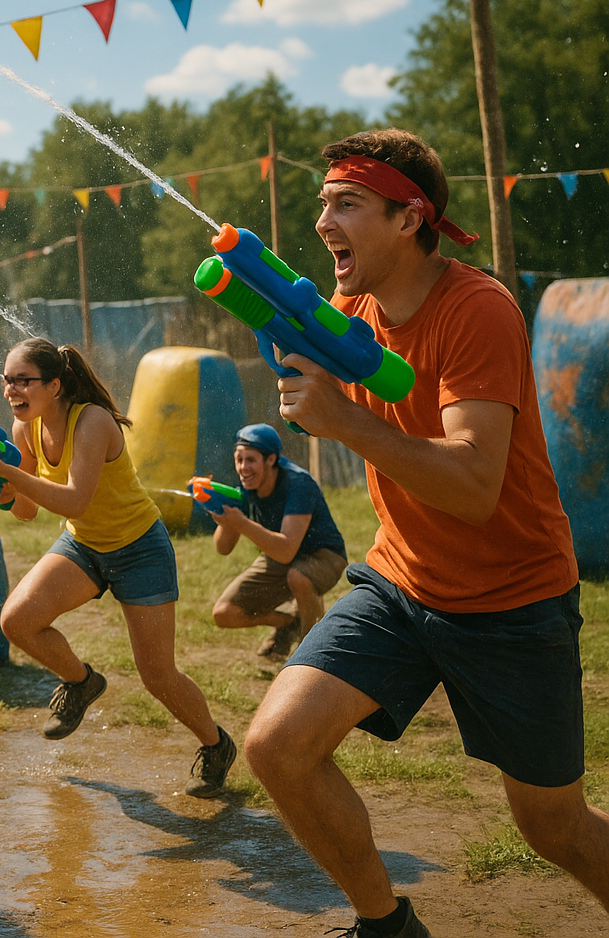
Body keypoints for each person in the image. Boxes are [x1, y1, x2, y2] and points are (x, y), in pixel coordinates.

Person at [243, 128, 608, 937]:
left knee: (551, 826)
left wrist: (342, 421)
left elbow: (476, 487)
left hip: (513, 600)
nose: (323, 223)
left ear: (410, 219)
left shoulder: (479, 310)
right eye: (322, 205)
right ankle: (388, 927)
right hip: (401, 583)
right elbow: (327, 396)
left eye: (346, 204)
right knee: (277, 746)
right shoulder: (350, 310)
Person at [0, 337, 236, 798]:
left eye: (22, 381)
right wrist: (2, 484)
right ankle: (81, 682)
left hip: (139, 548)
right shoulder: (25, 429)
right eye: (6, 380)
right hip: (85, 545)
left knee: (158, 676)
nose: (11, 389)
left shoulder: (93, 422)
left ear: (54, 384)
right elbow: (26, 510)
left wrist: (7, 473)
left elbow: (75, 499)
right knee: (17, 621)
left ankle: (216, 744)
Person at [207, 423, 347, 661]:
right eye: (238, 459)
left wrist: (241, 523)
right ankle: (289, 623)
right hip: (284, 558)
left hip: (324, 557)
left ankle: (311, 655)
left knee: (299, 577)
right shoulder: (246, 487)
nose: (243, 468)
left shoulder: (299, 484)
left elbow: (285, 550)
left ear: (271, 459)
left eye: (250, 460)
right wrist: (224, 517)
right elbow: (223, 548)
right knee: (224, 613)